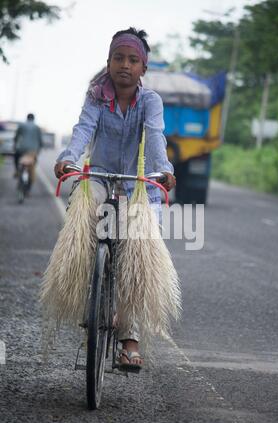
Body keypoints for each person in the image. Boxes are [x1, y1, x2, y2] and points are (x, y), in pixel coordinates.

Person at [54, 27, 176, 369]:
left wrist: (163, 168)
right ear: (108, 63)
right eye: (118, 58)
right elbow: (82, 131)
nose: (125, 65)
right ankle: (87, 295)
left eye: (132, 60)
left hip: (140, 185)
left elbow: (155, 136)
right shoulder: (95, 97)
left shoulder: (150, 101)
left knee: (138, 256)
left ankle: (130, 340)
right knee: (80, 220)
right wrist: (68, 159)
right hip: (100, 178)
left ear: (143, 68)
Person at [14, 113, 43, 178]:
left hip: (22, 148)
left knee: (16, 157)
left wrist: (15, 145)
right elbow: (40, 140)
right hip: (33, 149)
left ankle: (16, 171)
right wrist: (39, 150)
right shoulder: (37, 127)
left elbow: (16, 137)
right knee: (34, 160)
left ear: (27, 118)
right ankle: (31, 172)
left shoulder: (21, 125)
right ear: (33, 119)